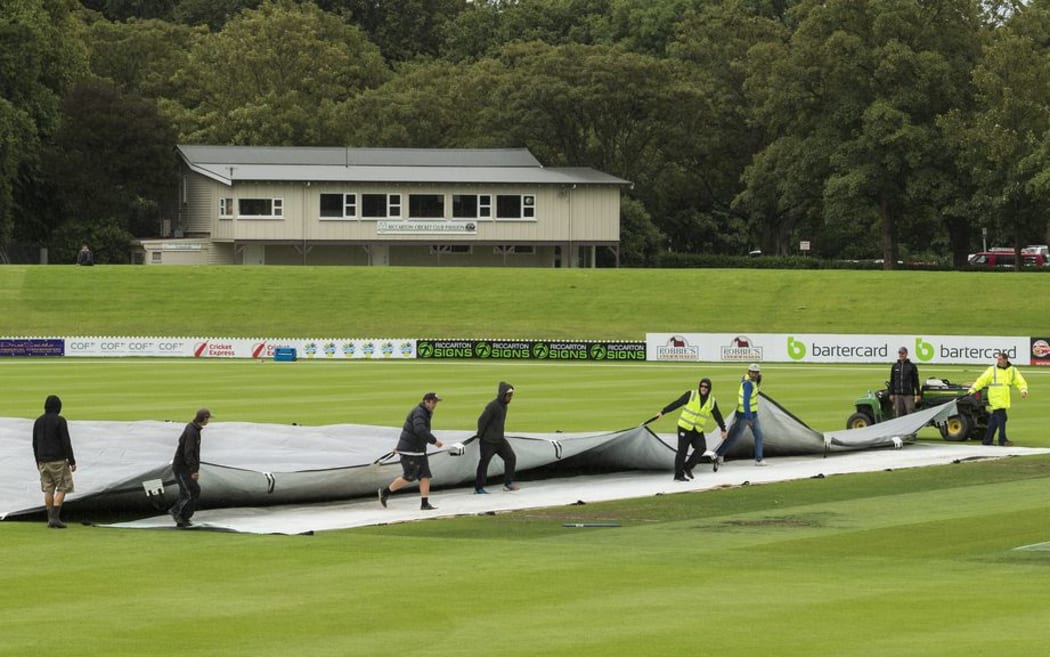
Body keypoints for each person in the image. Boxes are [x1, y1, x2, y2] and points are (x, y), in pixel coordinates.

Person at [379, 392, 445, 510]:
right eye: (433, 402)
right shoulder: (420, 412)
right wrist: (434, 441)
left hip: (418, 450)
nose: (435, 404)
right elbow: (419, 430)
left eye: (436, 402)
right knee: (409, 477)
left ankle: (424, 504)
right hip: (410, 451)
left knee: (425, 475)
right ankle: (385, 492)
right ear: (427, 401)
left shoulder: (425, 412)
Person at [654, 377, 727, 481]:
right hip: (684, 427)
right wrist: (663, 412)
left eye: (706, 387)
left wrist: (723, 429)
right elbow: (677, 403)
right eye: (702, 386)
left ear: (709, 388)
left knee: (701, 448)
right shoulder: (691, 394)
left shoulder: (711, 401)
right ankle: (678, 475)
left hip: (697, 429)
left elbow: (717, 415)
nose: (703, 388)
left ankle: (687, 467)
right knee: (682, 451)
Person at [706, 363, 765, 469]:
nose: (754, 374)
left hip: (752, 414)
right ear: (749, 372)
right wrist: (749, 417)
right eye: (752, 372)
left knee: (758, 435)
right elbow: (746, 401)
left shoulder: (751, 381)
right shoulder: (748, 384)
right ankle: (719, 454)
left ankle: (759, 459)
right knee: (735, 437)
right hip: (745, 414)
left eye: (756, 373)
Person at [32, 395, 77, 529]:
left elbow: (35, 443)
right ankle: (54, 517)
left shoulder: (38, 421)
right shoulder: (60, 421)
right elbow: (66, 441)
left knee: (48, 490)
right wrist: (72, 460)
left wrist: (38, 461)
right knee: (63, 487)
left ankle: (49, 517)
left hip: (43, 462)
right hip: (58, 461)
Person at [967, 351, 1029, 446]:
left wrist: (1023, 390)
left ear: (1005, 360)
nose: (998, 361)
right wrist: (973, 389)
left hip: (1004, 397)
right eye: (998, 359)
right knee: (1001, 418)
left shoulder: (1012, 370)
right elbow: (982, 380)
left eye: (1000, 359)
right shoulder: (992, 370)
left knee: (996, 418)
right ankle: (1002, 440)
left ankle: (987, 440)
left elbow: (1020, 381)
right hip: (995, 397)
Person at [169, 408, 212, 528]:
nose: (208, 421)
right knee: (189, 492)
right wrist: (193, 470)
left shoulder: (193, 429)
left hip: (186, 467)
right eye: (208, 418)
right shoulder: (192, 431)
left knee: (193, 491)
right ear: (203, 418)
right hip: (182, 468)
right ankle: (177, 512)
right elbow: (188, 452)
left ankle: (184, 517)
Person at [474, 381, 518, 494]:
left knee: (511, 457)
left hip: (499, 440)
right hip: (488, 441)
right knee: (484, 463)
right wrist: (480, 435)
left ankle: (508, 483)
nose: (510, 397)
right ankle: (479, 488)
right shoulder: (493, 406)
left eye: (511, 395)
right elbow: (482, 420)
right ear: (503, 394)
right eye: (509, 395)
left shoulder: (504, 406)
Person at [889, 346, 921, 417]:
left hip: (908, 395)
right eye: (900, 353)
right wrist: (891, 393)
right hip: (898, 395)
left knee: (910, 414)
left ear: (906, 354)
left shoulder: (912, 366)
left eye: (902, 353)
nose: (901, 355)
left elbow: (916, 381)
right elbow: (892, 381)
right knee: (898, 415)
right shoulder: (895, 366)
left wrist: (918, 393)